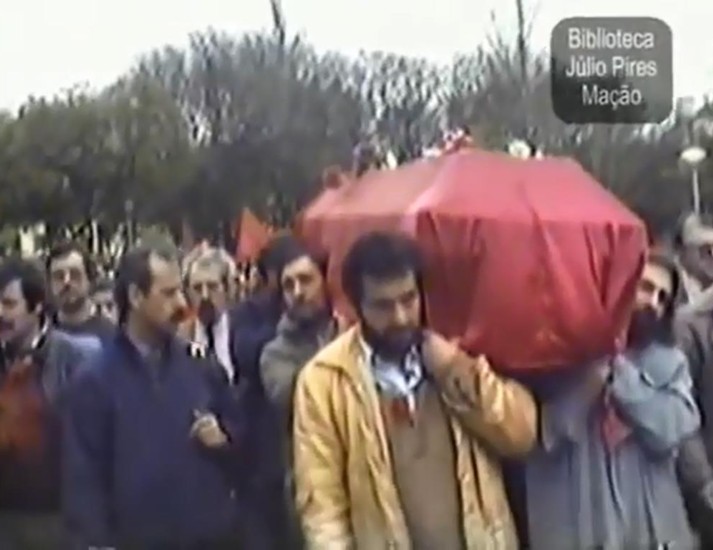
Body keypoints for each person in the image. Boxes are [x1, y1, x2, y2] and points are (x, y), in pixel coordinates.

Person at [292, 231, 536, 549]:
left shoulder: (456, 351)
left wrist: (455, 370)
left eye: (408, 299)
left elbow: (520, 436)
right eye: (383, 306)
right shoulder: (325, 380)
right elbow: (323, 512)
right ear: (357, 307)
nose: (400, 317)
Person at [62, 242, 241, 549]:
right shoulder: (95, 381)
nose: (182, 303)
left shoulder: (200, 367)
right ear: (135, 296)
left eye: (180, 291)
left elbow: (241, 444)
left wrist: (224, 440)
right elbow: (84, 482)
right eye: (168, 293)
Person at [526, 251, 699, 549]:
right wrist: (591, 378)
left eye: (663, 298)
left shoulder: (670, 363)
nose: (653, 303)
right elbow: (549, 431)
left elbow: (671, 428)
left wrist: (619, 373)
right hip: (582, 522)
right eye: (646, 287)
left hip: (651, 530)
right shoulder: (563, 355)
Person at [0, 258, 96, 550]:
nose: (0, 314)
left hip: (59, 521)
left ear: (37, 306)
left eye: (8, 304)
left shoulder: (77, 358)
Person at [260, 242, 339, 548]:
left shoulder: (352, 332)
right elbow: (297, 395)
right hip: (314, 490)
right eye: (288, 285)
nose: (298, 292)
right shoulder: (274, 355)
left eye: (306, 280)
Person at [184, 248, 239, 382]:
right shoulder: (180, 341)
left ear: (228, 290)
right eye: (197, 288)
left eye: (212, 287)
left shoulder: (246, 333)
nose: (205, 296)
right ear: (187, 293)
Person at [46, 241, 114, 341]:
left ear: (89, 280)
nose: (66, 282)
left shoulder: (111, 336)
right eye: (59, 276)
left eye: (74, 274)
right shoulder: (43, 337)